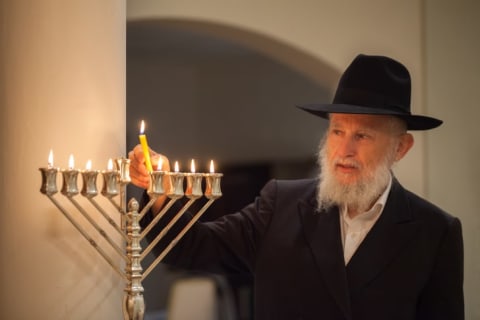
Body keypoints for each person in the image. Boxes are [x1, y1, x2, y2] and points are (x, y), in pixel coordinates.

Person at [128, 54, 464, 320]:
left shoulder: (435, 232)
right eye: (337, 131)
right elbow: (189, 248)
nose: (344, 150)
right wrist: (160, 192)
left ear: (400, 148)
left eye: (362, 136)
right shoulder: (281, 204)